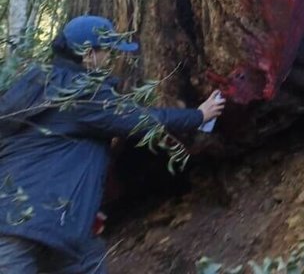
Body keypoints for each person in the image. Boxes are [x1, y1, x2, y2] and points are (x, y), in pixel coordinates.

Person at [0, 15, 225, 273]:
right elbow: (139, 120)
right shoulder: (81, 92)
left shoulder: (31, 84)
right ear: (88, 54)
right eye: (106, 51)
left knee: (88, 258)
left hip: (18, 222)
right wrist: (199, 116)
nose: (109, 58)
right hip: (44, 226)